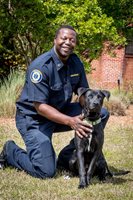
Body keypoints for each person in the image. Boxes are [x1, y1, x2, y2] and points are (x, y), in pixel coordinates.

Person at [0, 25, 109, 178]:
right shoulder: (40, 67)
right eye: (64, 38)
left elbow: (83, 93)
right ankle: (10, 151)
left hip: (60, 112)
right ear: (55, 40)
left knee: (101, 114)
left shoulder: (76, 62)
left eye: (72, 40)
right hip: (34, 119)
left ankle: (69, 154)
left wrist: (90, 107)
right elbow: (40, 107)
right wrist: (71, 121)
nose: (67, 42)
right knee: (46, 171)